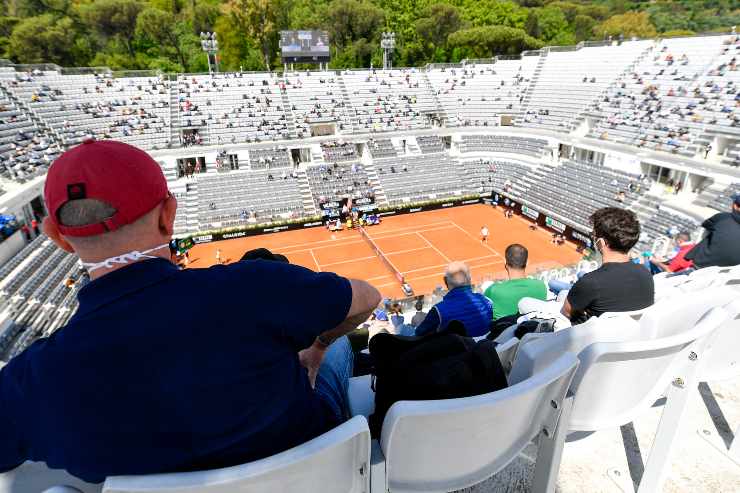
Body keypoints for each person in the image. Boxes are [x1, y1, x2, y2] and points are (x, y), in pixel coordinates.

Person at [0, 139, 382, 484]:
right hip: (318, 480)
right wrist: (317, 347)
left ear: (58, 238)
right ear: (168, 215)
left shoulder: (31, 379)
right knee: (341, 350)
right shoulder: (257, 285)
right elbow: (367, 297)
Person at [519, 208, 654, 325]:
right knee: (564, 293)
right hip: (622, 338)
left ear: (601, 243)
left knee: (524, 302)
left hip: (586, 339)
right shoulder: (646, 273)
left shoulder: (592, 281)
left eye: (593, 235)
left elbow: (566, 313)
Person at [414, 261, 492, 337]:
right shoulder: (487, 302)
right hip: (485, 347)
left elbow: (418, 335)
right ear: (470, 279)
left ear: (445, 281)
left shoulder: (439, 311)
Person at [483, 244, 547, 321]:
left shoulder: (493, 290)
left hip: (503, 331)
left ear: (506, 265)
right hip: (533, 331)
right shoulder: (541, 286)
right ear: (527, 263)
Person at [685, 192, 740, 268]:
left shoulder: (723, 217)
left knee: (711, 232)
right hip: (731, 270)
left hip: (704, 265)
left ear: (735, 206)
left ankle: (691, 260)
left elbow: (705, 224)